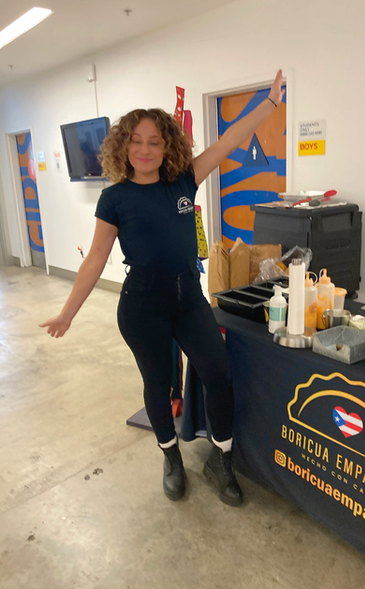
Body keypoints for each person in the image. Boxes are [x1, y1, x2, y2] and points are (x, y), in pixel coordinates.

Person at [40, 69, 285, 506]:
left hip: (188, 297)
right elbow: (95, 258)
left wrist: (268, 104)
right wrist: (67, 314)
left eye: (154, 141)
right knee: (156, 384)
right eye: (136, 141)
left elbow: (228, 142)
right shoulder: (114, 198)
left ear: (167, 145)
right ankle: (171, 457)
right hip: (142, 305)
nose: (145, 149)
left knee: (217, 373)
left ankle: (221, 460)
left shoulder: (185, 180)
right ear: (123, 146)